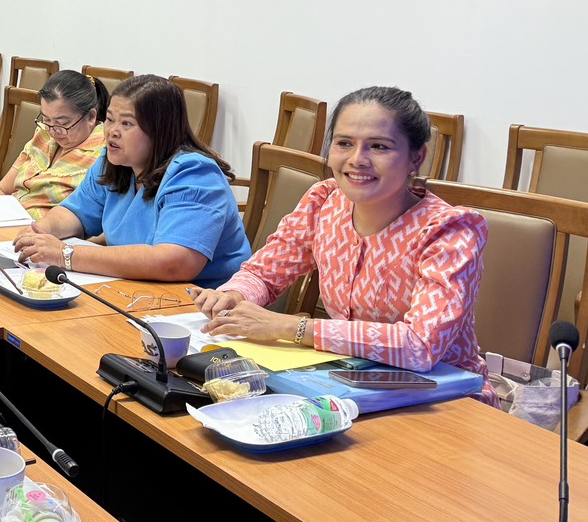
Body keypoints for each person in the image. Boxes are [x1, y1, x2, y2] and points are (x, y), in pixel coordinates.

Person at [194, 86, 496, 404]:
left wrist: (293, 328)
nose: (356, 160)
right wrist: (234, 295)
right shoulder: (325, 200)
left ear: (416, 157)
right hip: (348, 386)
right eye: (344, 143)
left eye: (379, 146)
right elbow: (264, 272)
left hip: (443, 398)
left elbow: (420, 345)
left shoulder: (447, 230)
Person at [13, 74, 248, 287]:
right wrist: (39, 233)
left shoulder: (194, 174)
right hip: (137, 289)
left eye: (126, 124)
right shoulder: (115, 162)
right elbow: (76, 213)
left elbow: (175, 262)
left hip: (202, 307)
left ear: (159, 130)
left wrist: (65, 254)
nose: (112, 132)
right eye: (110, 120)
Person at [0, 70, 109, 220]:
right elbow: (2, 189)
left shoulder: (103, 153)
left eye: (62, 123)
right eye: (46, 120)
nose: (53, 131)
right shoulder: (43, 135)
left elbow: (90, 222)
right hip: (7, 222)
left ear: (91, 117)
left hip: (47, 234)